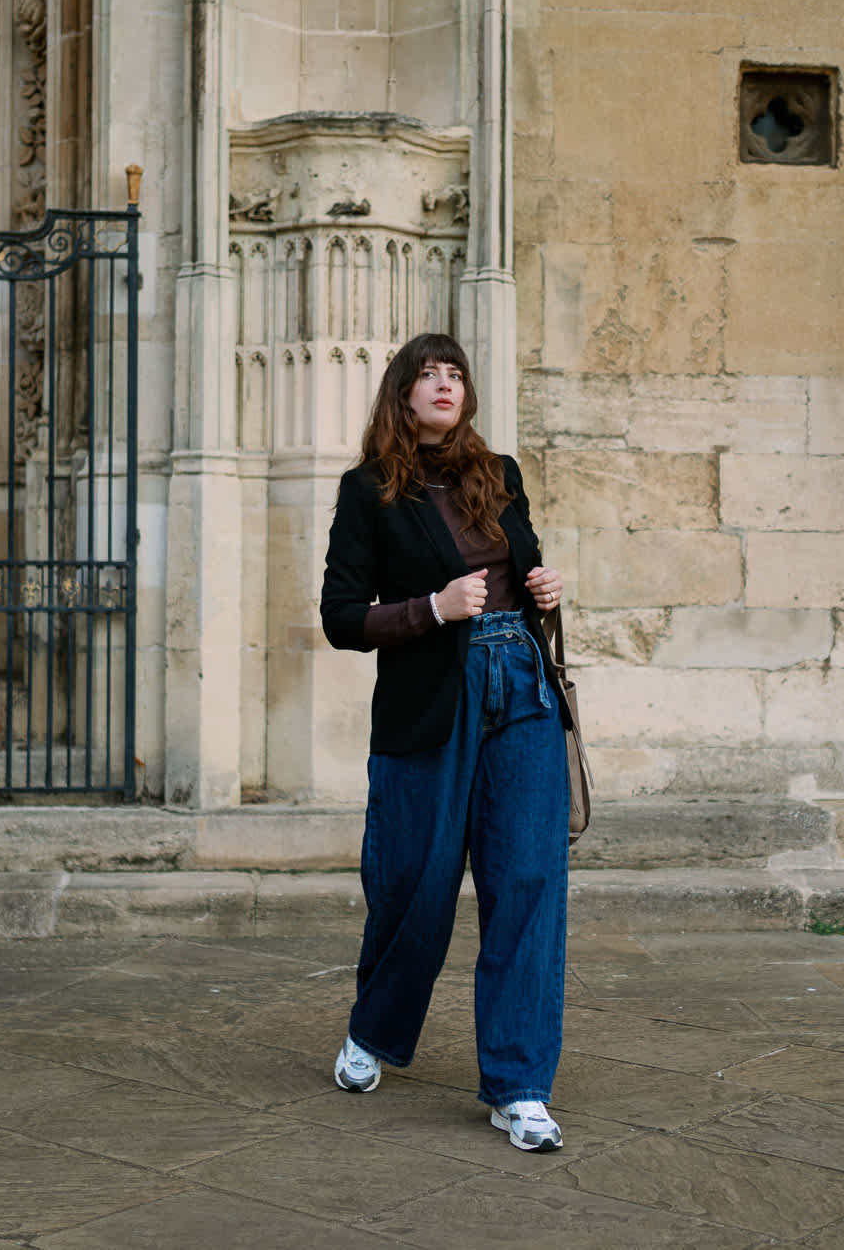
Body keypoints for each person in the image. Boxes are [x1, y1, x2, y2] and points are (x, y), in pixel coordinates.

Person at [320, 332, 571, 1154]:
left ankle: (519, 1085)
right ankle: (374, 1029)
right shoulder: (368, 492)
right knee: (415, 881)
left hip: (520, 686)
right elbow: (341, 617)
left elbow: (518, 568)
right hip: (433, 696)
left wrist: (544, 586)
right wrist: (430, 607)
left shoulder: (498, 475)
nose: (443, 384)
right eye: (427, 374)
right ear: (401, 392)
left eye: (455, 373)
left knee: (528, 882)